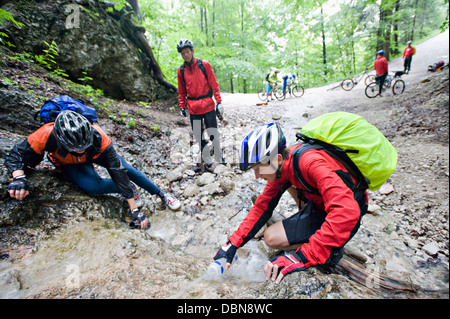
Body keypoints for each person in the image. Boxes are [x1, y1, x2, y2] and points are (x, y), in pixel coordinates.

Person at [213, 122, 368, 284]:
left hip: (350, 209)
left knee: (319, 249)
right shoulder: (280, 168)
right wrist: (231, 244)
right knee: (270, 238)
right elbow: (261, 207)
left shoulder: (310, 163)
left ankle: (330, 247)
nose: (257, 176)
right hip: (319, 206)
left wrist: (303, 256)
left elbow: (347, 211)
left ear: (278, 158)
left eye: (259, 169)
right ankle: (323, 238)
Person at [5, 110, 181, 230]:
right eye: (75, 147)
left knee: (128, 170)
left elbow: (117, 170)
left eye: (83, 145)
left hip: (96, 154)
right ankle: (126, 188)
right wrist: (19, 177)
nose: (80, 149)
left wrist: (134, 210)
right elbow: (16, 155)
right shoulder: (45, 134)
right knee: (92, 187)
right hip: (69, 163)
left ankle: (162, 194)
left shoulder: (99, 135)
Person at [176, 39, 225, 170]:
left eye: (187, 52)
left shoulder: (204, 65)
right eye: (183, 53)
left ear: (192, 51)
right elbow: (181, 91)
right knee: (198, 134)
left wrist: (219, 102)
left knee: (213, 132)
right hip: (193, 108)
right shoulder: (181, 71)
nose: (185, 55)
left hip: (208, 105)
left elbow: (214, 84)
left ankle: (219, 154)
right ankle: (206, 156)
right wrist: (182, 106)